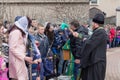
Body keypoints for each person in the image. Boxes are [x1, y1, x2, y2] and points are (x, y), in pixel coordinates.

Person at [73, 13, 107, 80]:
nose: (92, 24)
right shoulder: (97, 32)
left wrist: (81, 60)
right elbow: (89, 38)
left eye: (93, 23)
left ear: (95, 24)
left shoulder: (101, 32)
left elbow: (89, 44)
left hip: (96, 64)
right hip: (93, 62)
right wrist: (79, 35)